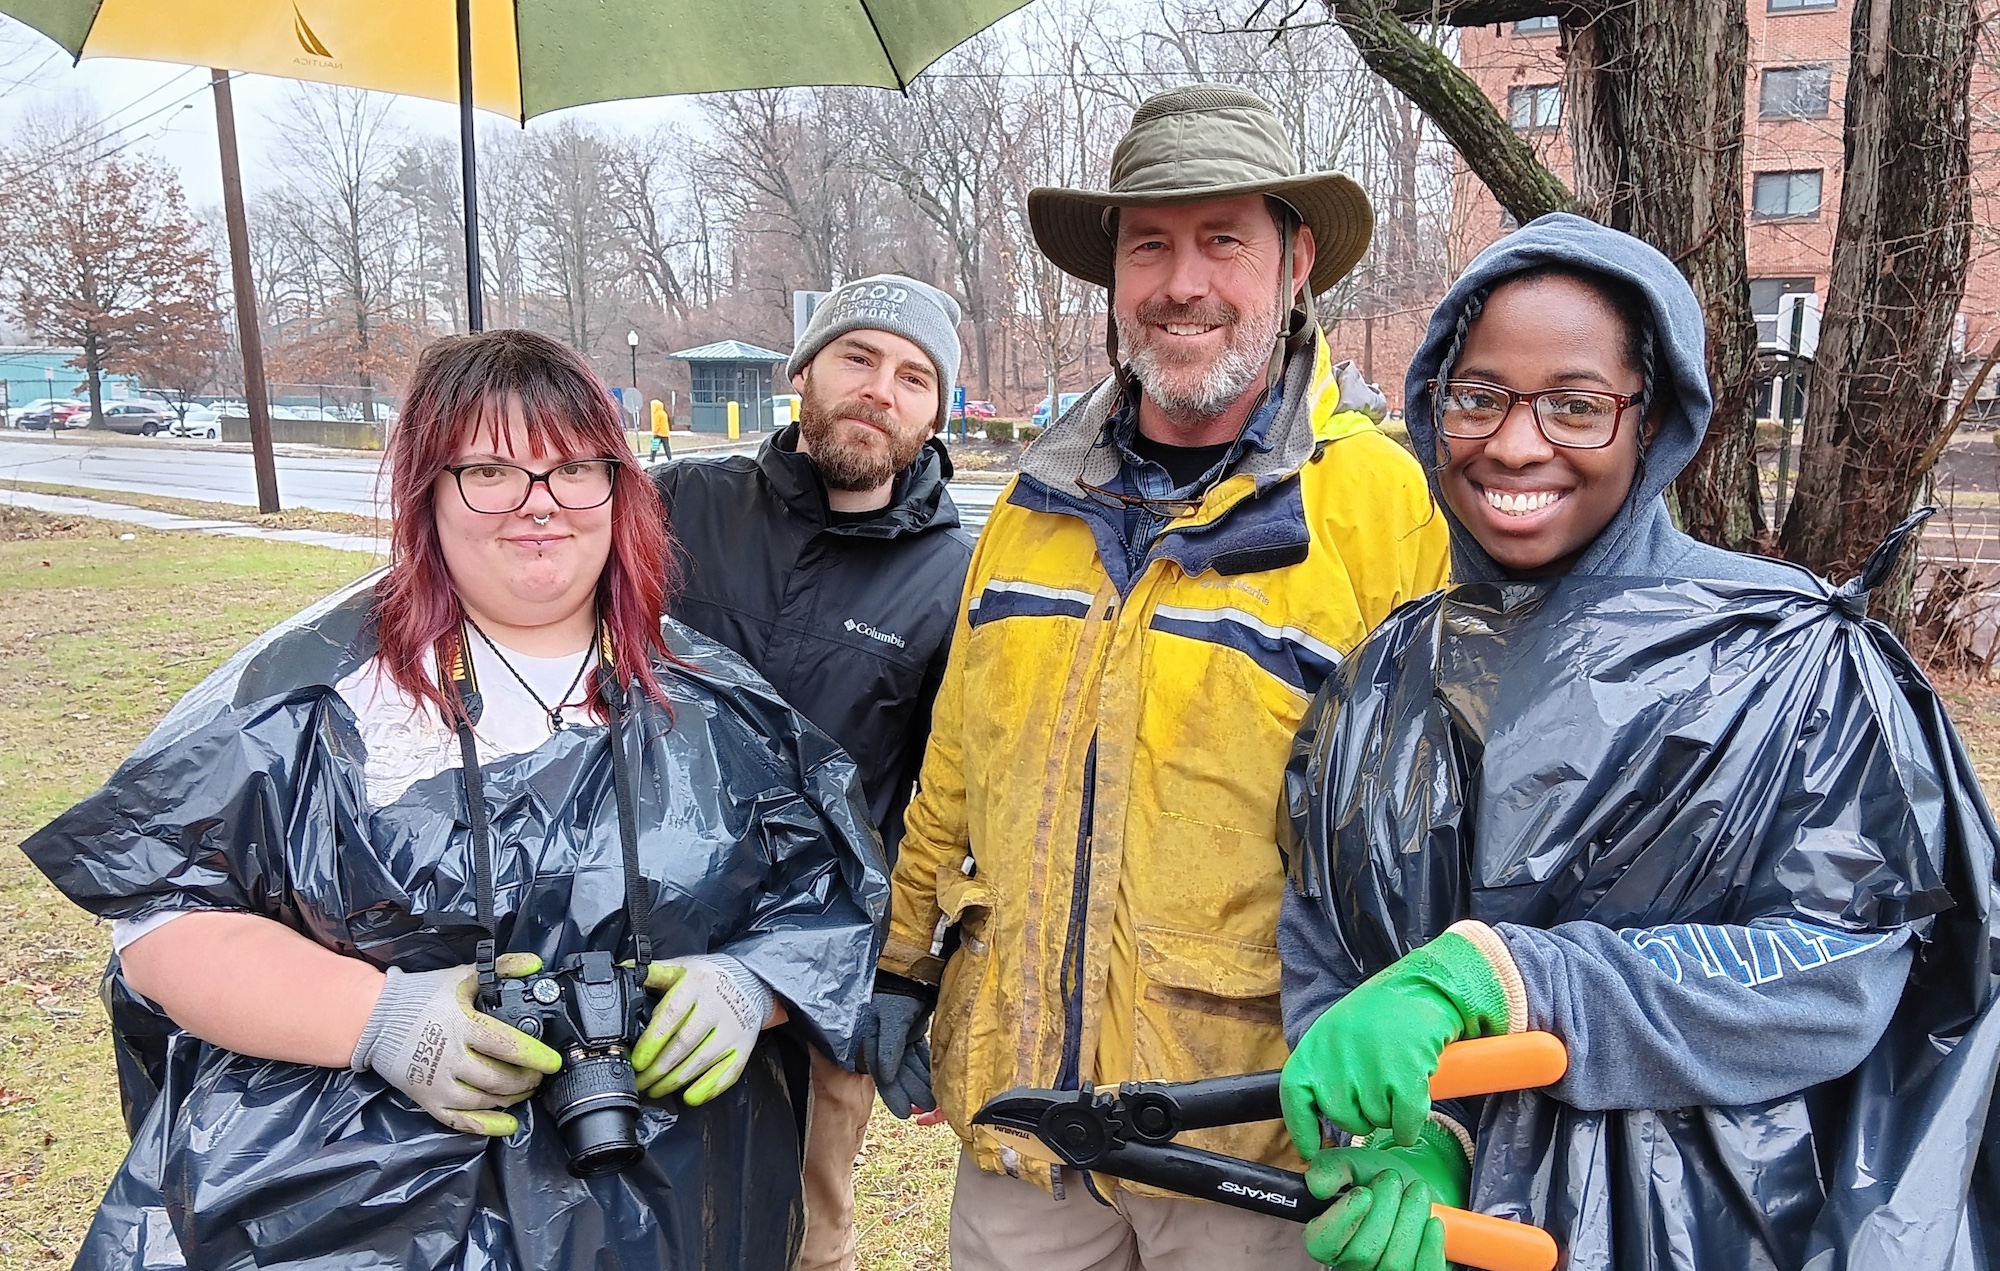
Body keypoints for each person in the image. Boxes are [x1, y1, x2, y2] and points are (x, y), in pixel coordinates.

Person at [23, 329, 887, 1270]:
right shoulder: (313, 696)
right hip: (355, 1216)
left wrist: (750, 985)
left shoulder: (711, 699)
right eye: (490, 471)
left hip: (667, 1212)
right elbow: (162, 922)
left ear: (619, 489)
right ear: (428, 490)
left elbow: (823, 901)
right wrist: (376, 1019)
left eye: (572, 470)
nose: (538, 505)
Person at [1276, 213, 2000, 1271]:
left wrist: (1509, 975)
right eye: (1477, 396)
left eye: (1573, 405)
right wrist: (1401, 1140)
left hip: (1730, 1228)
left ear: (1647, 419)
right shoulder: (1384, 685)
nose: (1515, 443)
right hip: (1461, 1240)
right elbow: (1329, 955)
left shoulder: (1788, 659)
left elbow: (1840, 966)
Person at [866, 84, 1450, 1271]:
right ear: (1114, 278)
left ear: (1294, 263)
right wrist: (900, 963)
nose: (1181, 281)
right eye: (1150, 244)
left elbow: (1439, 835)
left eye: (1221, 238)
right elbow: (956, 763)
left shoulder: (1381, 507)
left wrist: (1424, 1107)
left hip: (1253, 1139)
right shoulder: (1035, 501)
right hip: (1025, 1131)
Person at [651, 273, 973, 1271]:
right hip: (645, 933)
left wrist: (910, 973)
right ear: (803, 371)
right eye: (858, 357)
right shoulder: (677, 505)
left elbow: (948, 798)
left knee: (802, 1233)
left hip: (820, 970)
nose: (880, 389)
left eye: (913, 376)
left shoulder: (956, 575)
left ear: (935, 410)